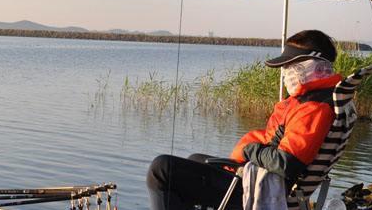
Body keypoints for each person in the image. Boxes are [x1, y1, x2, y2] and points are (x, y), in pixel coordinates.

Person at [146, 30, 343, 210]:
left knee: (162, 169)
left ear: (310, 66)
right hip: (260, 177)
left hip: (264, 189)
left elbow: (287, 163)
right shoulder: (313, 100)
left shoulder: (314, 107)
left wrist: (249, 149)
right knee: (195, 160)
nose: (285, 73)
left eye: (290, 66)